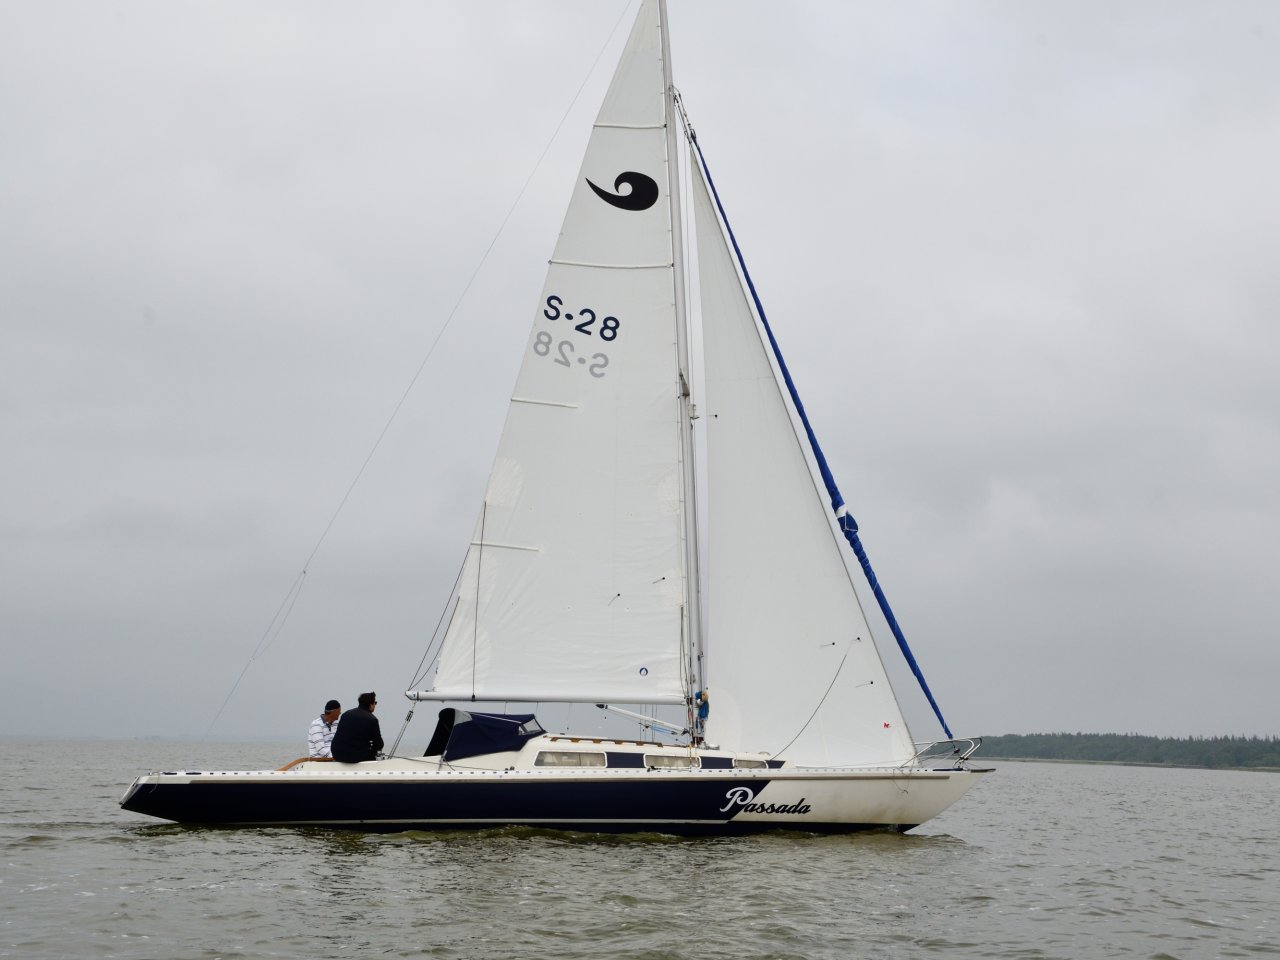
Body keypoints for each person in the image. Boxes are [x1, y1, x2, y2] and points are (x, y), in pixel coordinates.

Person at [330, 691, 384, 763]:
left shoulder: (346, 714)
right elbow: (379, 744)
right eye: (375, 703)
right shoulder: (372, 720)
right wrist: (372, 752)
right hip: (355, 756)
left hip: (337, 754)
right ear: (371, 705)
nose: (375, 705)